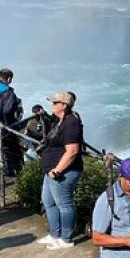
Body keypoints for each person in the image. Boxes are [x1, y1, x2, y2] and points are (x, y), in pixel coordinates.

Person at [38, 92, 83, 249]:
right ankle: (55, 235)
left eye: (55, 103)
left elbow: (72, 151)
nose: (52, 105)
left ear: (63, 105)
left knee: (64, 205)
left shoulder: (71, 123)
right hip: (51, 170)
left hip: (62, 172)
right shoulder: (60, 121)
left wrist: (57, 171)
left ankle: (66, 238)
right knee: (49, 202)